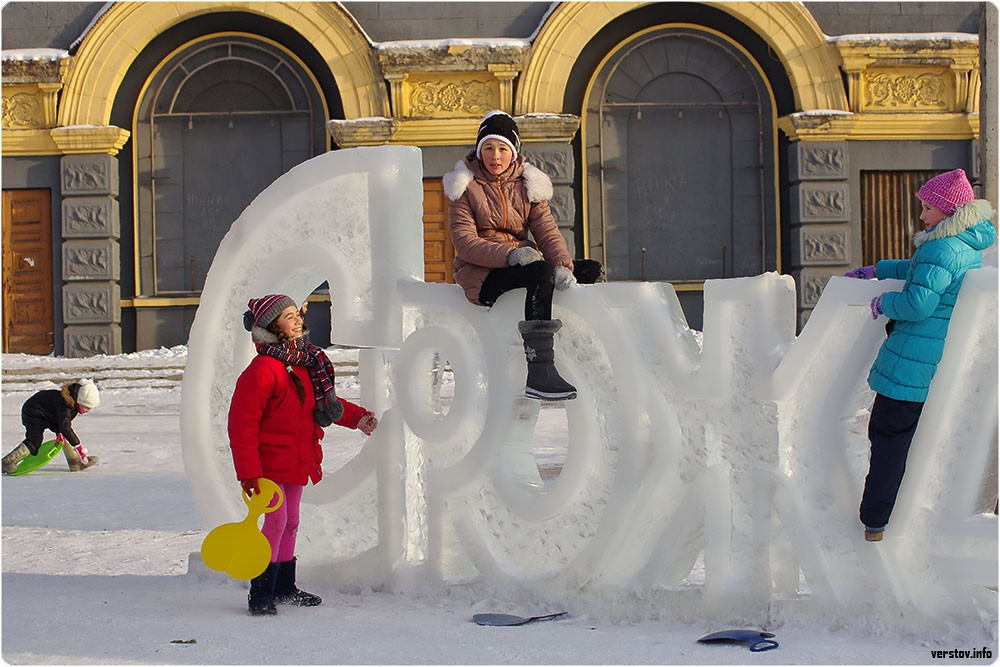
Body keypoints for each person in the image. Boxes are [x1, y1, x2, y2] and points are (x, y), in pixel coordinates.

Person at [844, 168, 996, 542]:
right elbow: (918, 270)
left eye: (928, 208)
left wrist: (884, 302)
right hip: (927, 360)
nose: (922, 215)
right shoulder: (961, 245)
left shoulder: (940, 248)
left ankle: (874, 522)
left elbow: (918, 303)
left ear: (948, 210)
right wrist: (876, 269)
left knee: (887, 439)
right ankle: (890, 519)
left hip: (909, 362)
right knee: (898, 437)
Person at [228, 294, 379, 615]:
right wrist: (249, 472)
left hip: (296, 459)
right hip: (268, 465)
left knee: (291, 522)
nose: (297, 320)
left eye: (297, 313)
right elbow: (242, 424)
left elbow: (324, 404)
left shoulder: (306, 362)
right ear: (272, 326)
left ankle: (284, 587)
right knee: (276, 521)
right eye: (288, 316)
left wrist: (358, 417)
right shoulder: (263, 369)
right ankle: (261, 591)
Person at [443, 110, 604, 402]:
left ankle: (586, 353)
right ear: (479, 151)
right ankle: (540, 370)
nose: (495, 156)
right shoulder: (464, 187)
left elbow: (548, 233)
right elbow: (466, 243)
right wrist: (511, 254)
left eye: (503, 148)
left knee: (587, 270)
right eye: (488, 148)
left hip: (525, 261)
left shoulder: (528, 185)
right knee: (541, 273)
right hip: (482, 275)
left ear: (513, 151)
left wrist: (564, 266)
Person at [2, 378, 101, 474]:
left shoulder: (72, 404)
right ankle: (6, 462)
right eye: (87, 407)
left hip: (48, 414)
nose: (88, 411)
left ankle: (75, 464)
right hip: (33, 412)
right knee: (34, 441)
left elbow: (63, 425)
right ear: (80, 401)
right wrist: (77, 445)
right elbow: (64, 427)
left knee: (65, 435)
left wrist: (60, 433)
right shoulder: (66, 405)